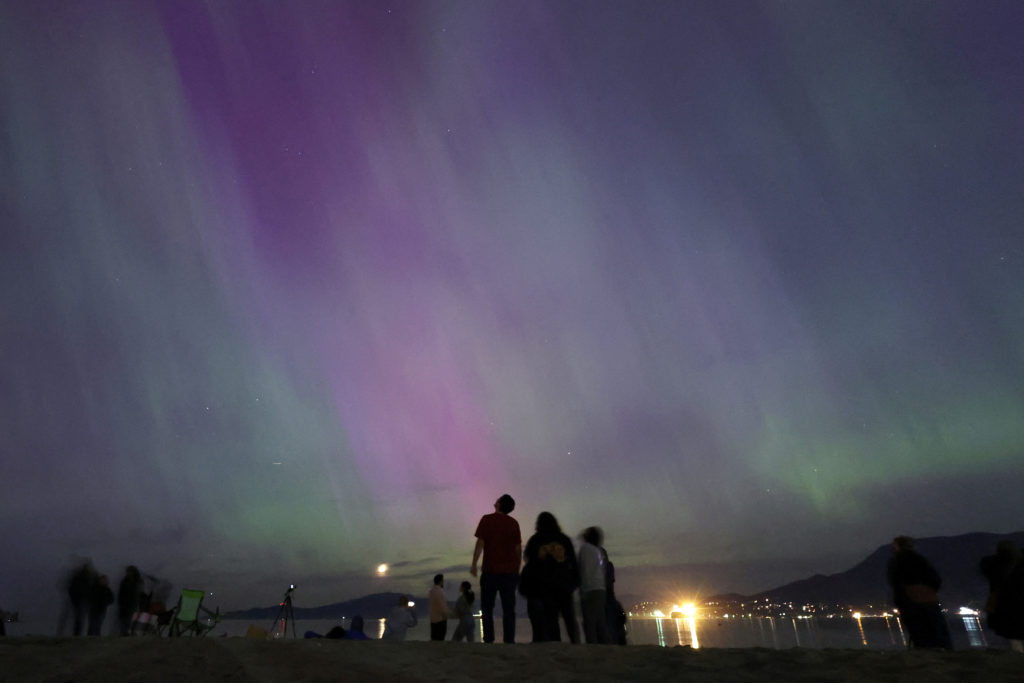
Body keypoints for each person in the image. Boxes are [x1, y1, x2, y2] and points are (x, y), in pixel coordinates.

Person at [521, 511, 579, 643]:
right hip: (564, 584)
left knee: (551, 619)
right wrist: (574, 582)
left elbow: (528, 559)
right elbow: (573, 562)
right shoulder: (564, 539)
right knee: (569, 617)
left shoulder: (535, 540)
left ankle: (555, 643)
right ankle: (576, 642)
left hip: (545, 586)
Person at [470, 493, 522, 643]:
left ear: (499, 504)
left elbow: (480, 543)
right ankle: (509, 641)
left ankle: (489, 640)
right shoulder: (514, 523)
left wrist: (474, 564)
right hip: (509, 573)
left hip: (490, 571)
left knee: (487, 608)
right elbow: (518, 549)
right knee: (509, 609)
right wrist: (517, 569)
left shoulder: (487, 520)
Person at [886, 536, 952, 649]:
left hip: (909, 598)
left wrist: (900, 598)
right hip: (929, 597)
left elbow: (895, 581)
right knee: (937, 627)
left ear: (897, 546)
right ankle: (945, 649)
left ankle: (925, 649)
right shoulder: (921, 559)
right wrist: (929, 590)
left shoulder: (896, 560)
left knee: (917, 628)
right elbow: (935, 579)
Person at [979, 540, 1024, 651]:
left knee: (1012, 635)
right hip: (1014, 605)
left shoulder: (995, 567)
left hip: (1003, 606)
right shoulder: (1017, 568)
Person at [578, 526, 609, 644]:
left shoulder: (585, 548)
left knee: (589, 622)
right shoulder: (598, 551)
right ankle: (606, 645)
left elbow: (586, 570)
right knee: (600, 622)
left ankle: (592, 645)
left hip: (591, 589)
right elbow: (602, 570)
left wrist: (583, 589)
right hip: (601, 588)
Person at [602, 546, 628, 645]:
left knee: (610, 620)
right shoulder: (609, 565)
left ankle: (614, 640)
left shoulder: (606, 566)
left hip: (606, 595)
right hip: (609, 595)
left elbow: (609, 582)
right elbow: (611, 581)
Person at [116, 566, 143, 636]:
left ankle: (128, 634)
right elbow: (121, 593)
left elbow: (139, 594)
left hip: (132, 605)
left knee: (130, 621)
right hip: (125, 605)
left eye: (129, 572)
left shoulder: (137, 581)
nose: (128, 573)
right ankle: (124, 634)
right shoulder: (125, 581)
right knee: (124, 621)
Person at [429, 574, 450, 641]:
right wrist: (446, 614)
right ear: (440, 581)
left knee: (434, 638)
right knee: (440, 639)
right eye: (443, 581)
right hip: (441, 619)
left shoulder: (431, 591)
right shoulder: (440, 591)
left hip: (433, 619)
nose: (443, 583)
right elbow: (442, 605)